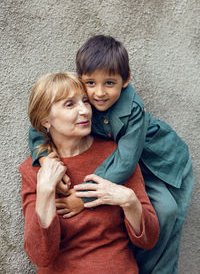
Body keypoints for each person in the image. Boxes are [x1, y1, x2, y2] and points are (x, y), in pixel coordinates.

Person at [29, 36, 193, 274]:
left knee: (167, 214)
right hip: (125, 162)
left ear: (125, 80)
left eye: (109, 83)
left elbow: (125, 161)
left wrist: (81, 198)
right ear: (81, 80)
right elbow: (38, 124)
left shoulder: (133, 109)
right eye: (91, 83)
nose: (99, 93)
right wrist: (45, 157)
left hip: (159, 164)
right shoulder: (84, 103)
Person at [20, 72, 159, 274]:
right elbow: (40, 256)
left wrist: (129, 200)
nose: (85, 111)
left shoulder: (116, 156)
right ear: (45, 120)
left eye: (85, 101)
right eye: (70, 104)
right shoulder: (33, 171)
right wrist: (45, 191)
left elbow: (149, 240)